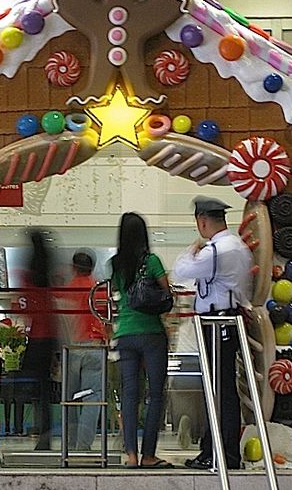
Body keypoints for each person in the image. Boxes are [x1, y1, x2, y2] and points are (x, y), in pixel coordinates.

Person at [173, 196, 253, 471]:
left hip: (218, 322)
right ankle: (216, 449)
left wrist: (194, 248)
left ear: (202, 221)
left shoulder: (217, 250)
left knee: (219, 391)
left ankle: (221, 453)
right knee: (222, 389)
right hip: (226, 320)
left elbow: (181, 270)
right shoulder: (238, 247)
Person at [111, 212, 174, 469]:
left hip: (125, 333)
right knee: (155, 394)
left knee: (129, 395)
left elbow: (118, 295)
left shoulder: (115, 264)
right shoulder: (152, 261)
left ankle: (131, 456)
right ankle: (149, 454)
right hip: (151, 334)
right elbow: (166, 293)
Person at [20, 229, 59, 450]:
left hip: (36, 337)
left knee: (35, 389)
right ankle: (46, 433)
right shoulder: (50, 272)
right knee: (46, 390)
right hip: (51, 335)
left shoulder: (28, 274)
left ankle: (39, 431)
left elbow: (24, 304)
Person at [64, 250, 105, 451]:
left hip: (71, 347)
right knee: (93, 397)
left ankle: (69, 443)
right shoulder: (99, 289)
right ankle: (83, 445)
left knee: (69, 397)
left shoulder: (67, 289)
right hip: (95, 346)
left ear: (73, 267)